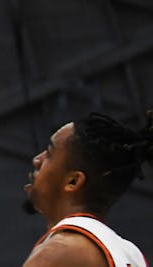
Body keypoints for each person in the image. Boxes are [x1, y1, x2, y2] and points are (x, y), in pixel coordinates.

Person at [21, 111, 152, 267]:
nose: (37, 160)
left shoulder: (60, 249)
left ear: (73, 181)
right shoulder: (131, 254)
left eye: (49, 153)